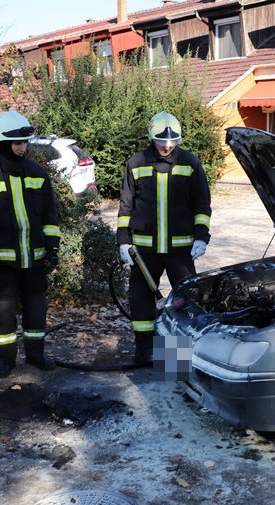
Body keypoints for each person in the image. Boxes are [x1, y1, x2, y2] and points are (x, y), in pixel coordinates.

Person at [0, 111, 61, 378]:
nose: (23, 148)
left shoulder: (37, 173)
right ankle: (6, 359)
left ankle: (36, 354)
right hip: (2, 262)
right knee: (3, 312)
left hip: (35, 260)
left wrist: (52, 249)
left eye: (25, 142)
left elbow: (50, 215)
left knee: (37, 309)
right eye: (17, 143)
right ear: (2, 144)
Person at [117, 111, 212, 366]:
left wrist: (201, 237)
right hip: (144, 250)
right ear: (151, 138)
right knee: (140, 299)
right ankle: (144, 352)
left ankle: (174, 362)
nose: (167, 147)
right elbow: (126, 205)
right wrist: (124, 241)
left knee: (183, 302)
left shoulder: (190, 163)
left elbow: (202, 203)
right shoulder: (136, 163)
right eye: (162, 142)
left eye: (173, 142)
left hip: (181, 251)